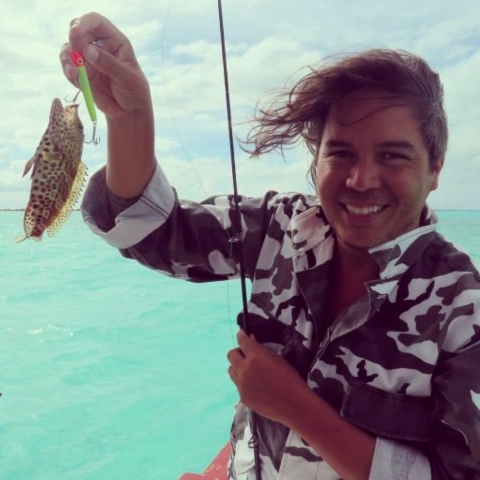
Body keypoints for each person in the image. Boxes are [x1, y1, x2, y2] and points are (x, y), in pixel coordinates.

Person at [61, 12, 480, 480]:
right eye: (340, 153)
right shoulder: (280, 226)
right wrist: (129, 116)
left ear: (435, 168)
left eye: (392, 156)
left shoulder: (465, 309)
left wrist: (297, 408)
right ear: (316, 159)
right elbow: (152, 233)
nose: (361, 180)